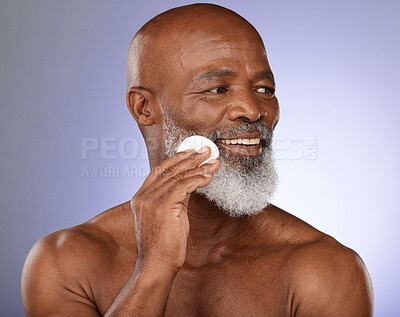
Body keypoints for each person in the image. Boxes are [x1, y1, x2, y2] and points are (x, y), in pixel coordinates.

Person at [21, 3, 373, 316]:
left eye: (264, 90)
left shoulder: (326, 270)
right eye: (218, 89)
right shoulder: (64, 263)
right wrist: (152, 270)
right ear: (144, 108)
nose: (253, 110)